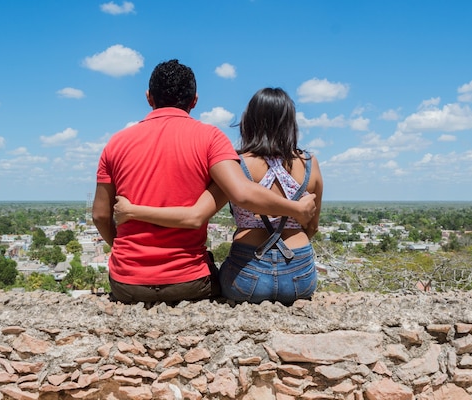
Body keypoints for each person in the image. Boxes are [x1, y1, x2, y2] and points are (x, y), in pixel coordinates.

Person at [93, 60, 316, 304]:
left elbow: (100, 216)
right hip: (190, 282)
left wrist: (127, 251)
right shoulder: (210, 139)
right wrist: (296, 209)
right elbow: (241, 193)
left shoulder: (115, 143)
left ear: (149, 97)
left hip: (127, 283)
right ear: (195, 100)